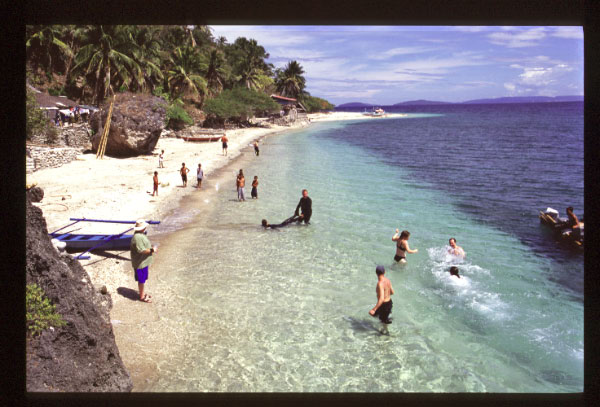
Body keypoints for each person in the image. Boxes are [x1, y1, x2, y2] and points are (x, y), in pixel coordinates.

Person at [130, 220, 157, 303]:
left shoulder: (140, 235)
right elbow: (141, 250)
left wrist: (150, 248)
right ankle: (142, 297)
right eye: (145, 227)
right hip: (140, 263)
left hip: (142, 262)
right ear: (143, 228)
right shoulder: (138, 237)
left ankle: (142, 293)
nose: (146, 227)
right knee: (141, 280)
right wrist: (152, 250)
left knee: (143, 279)